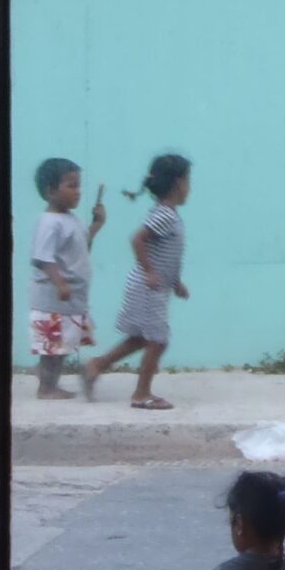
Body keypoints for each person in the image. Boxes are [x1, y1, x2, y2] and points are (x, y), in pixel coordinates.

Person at [84, 153, 191, 411]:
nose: (190, 187)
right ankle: (141, 394)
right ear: (178, 183)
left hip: (153, 286)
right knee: (158, 340)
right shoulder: (164, 214)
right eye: (188, 180)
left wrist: (175, 282)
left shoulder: (168, 214)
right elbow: (137, 239)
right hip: (147, 286)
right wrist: (150, 271)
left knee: (142, 338)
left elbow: (167, 253)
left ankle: (95, 366)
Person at [27, 157, 106, 400]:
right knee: (52, 348)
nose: (78, 191)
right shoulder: (49, 223)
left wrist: (97, 225)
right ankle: (46, 387)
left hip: (69, 298)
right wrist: (59, 283)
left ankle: (49, 382)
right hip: (52, 298)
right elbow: (42, 258)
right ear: (51, 191)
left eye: (79, 185)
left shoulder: (70, 219)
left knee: (60, 347)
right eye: (71, 185)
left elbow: (82, 246)